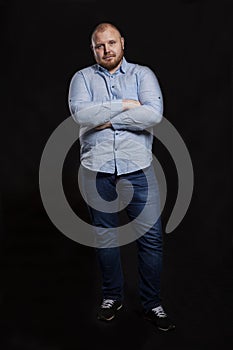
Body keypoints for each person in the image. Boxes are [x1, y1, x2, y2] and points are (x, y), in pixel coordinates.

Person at [68, 22, 175, 331]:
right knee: (106, 239)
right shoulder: (82, 78)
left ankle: (152, 303)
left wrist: (103, 118)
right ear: (93, 49)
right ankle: (112, 297)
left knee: (151, 239)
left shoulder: (143, 75)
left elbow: (153, 115)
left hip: (138, 170)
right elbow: (80, 116)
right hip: (96, 171)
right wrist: (126, 106)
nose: (107, 50)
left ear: (122, 43)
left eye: (112, 43)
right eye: (100, 45)